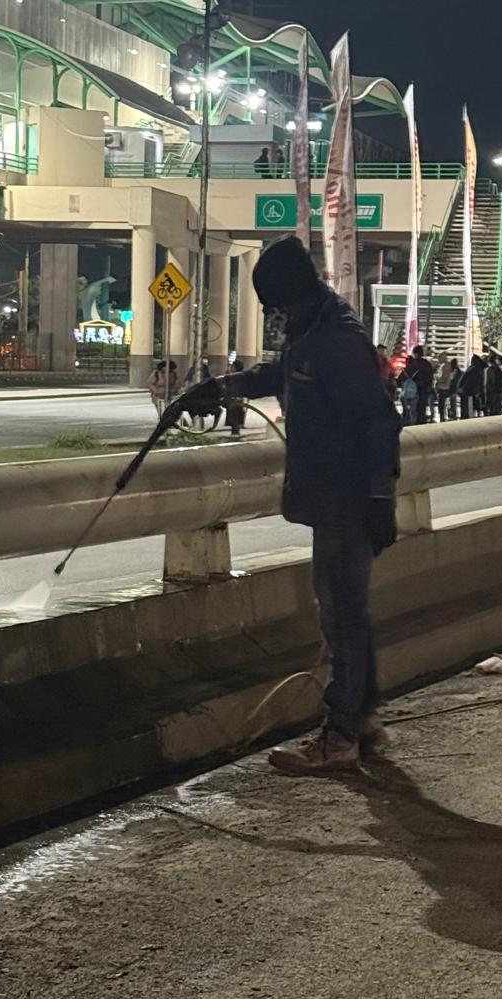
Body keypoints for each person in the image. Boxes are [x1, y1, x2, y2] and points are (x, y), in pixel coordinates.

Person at [191, 234, 401, 772]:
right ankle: (362, 721)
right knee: (348, 615)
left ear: (297, 296)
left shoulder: (337, 339)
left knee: (341, 617)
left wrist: (380, 497)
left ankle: (341, 736)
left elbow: (378, 422)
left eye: (277, 307)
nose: (275, 318)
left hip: (347, 500)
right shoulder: (313, 329)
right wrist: (224, 386)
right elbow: (284, 373)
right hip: (330, 497)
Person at [409, 344, 434, 424]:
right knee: (422, 406)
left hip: (415, 388)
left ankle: (414, 422)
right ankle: (421, 421)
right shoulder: (427, 364)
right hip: (425, 388)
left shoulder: (413, 363)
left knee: (414, 407)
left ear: (416, 353)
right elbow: (430, 377)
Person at [458, 353, 486, 419]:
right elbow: (472, 382)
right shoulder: (476, 369)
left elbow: (468, 381)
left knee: (466, 407)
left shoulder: (471, 368)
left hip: (466, 391)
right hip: (469, 392)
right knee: (469, 407)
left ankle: (466, 416)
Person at [224, 358, 247, 436]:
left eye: (232, 366)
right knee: (235, 417)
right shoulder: (241, 376)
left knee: (234, 417)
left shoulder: (234, 377)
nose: (230, 368)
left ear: (235, 367)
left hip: (234, 400)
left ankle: (235, 433)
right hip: (237, 400)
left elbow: (228, 387)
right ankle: (235, 432)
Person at [434, 352, 456, 421]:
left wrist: (436, 378)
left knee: (441, 404)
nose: (438, 359)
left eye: (439, 357)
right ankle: (445, 416)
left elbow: (442, 378)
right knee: (444, 403)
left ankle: (442, 417)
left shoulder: (444, 366)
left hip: (442, 387)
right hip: (447, 386)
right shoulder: (448, 365)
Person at [398, 357, 419, 426]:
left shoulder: (404, 371)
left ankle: (405, 422)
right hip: (414, 393)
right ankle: (413, 423)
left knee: (405, 409)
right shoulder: (417, 371)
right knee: (413, 410)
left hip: (405, 393)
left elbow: (398, 381)